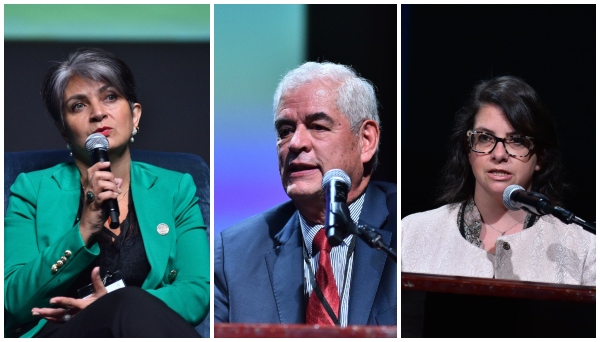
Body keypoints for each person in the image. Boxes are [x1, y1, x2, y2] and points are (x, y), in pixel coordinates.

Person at [4, 48, 210, 337]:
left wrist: (114, 305)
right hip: (63, 332)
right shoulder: (31, 190)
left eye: (110, 97)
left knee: (129, 301)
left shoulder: (176, 188)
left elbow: (198, 292)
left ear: (135, 115)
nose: (98, 112)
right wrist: (84, 228)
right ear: (64, 130)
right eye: (78, 105)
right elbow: (13, 300)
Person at [214, 61, 397, 327]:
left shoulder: (406, 230)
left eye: (318, 127)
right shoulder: (234, 253)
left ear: (365, 140)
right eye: (285, 131)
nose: (296, 143)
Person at [401, 76, 595, 285]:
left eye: (517, 140)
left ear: (541, 157)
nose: (499, 154)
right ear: (468, 150)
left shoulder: (583, 247)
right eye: (485, 138)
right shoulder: (413, 233)